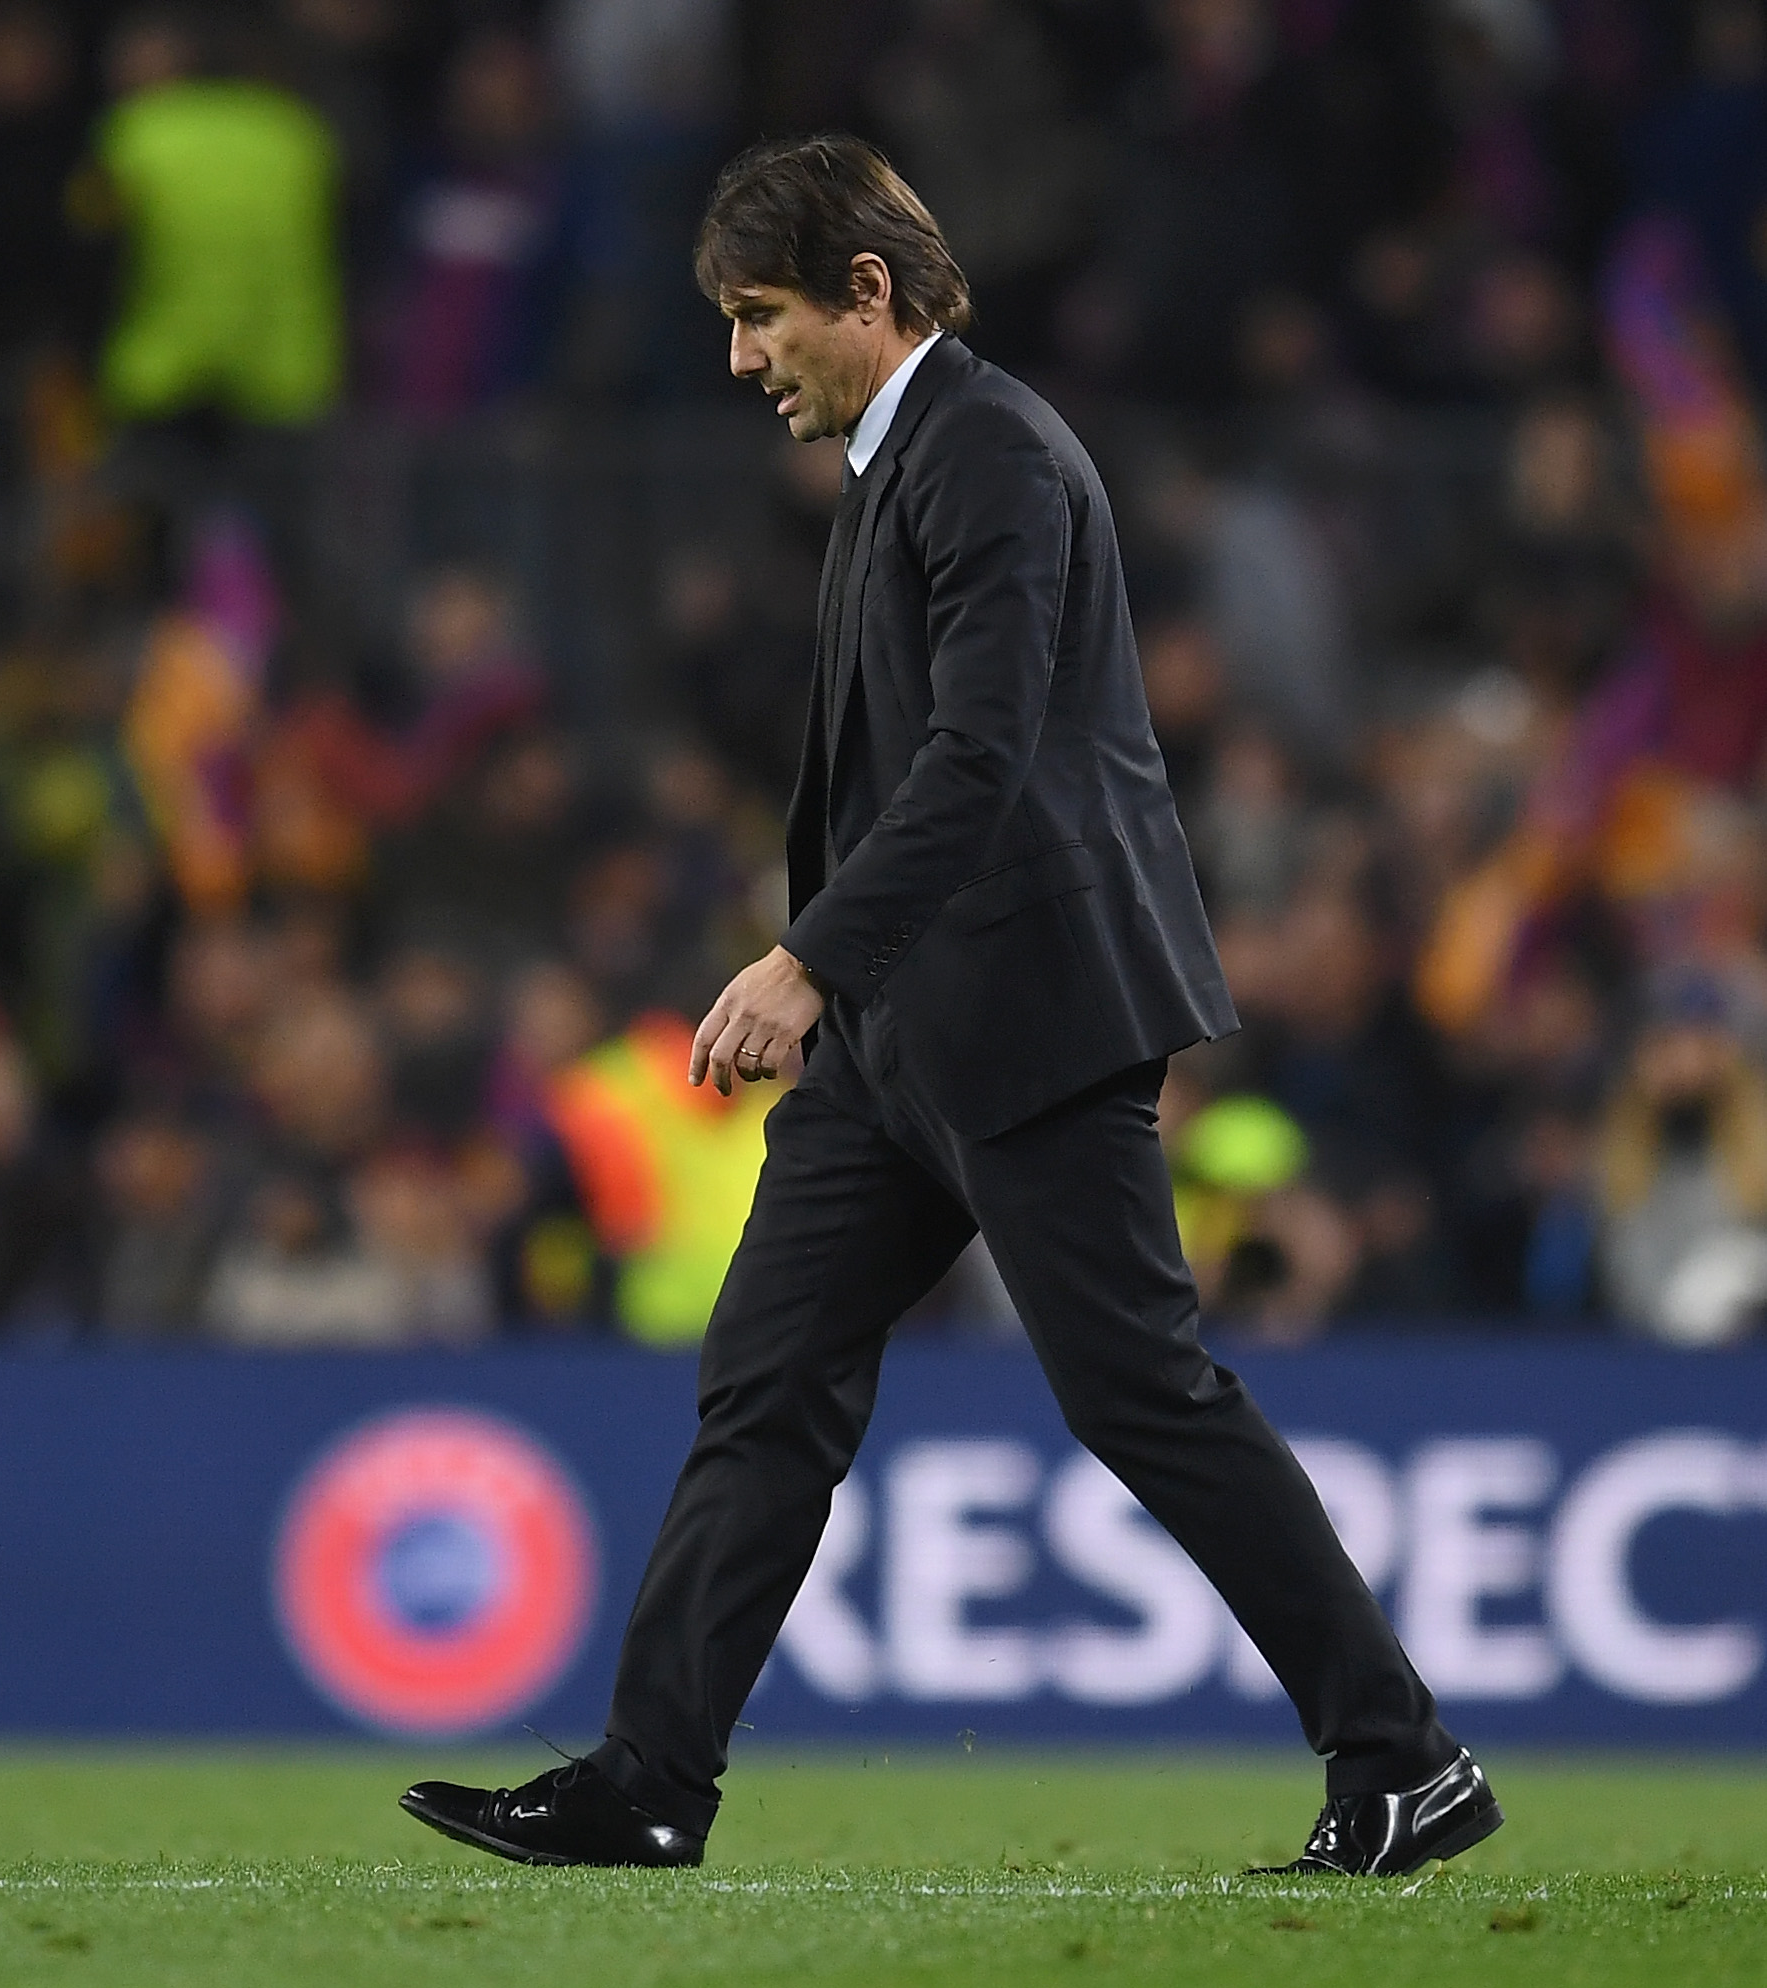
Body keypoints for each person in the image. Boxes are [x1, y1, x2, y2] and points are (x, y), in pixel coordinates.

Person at [400, 136, 1500, 1879]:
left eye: (759, 315)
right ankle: (648, 1780)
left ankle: (1402, 1760)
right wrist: (847, 981)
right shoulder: (900, 461)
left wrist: (806, 958)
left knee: (1139, 1393)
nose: (739, 358)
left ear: (866, 289)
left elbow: (980, 757)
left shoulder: (988, 452)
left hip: (1029, 1013)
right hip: (900, 1035)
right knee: (766, 1381)